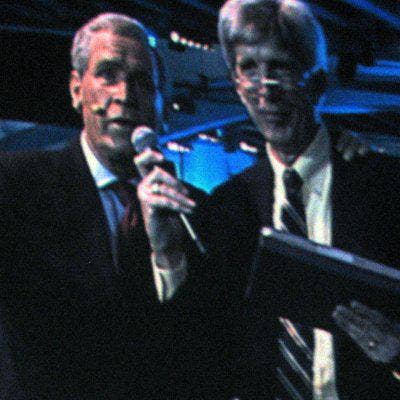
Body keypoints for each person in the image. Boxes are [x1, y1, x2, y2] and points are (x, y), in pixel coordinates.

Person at [0, 12, 214, 400]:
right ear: (76, 89)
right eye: (108, 75)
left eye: (142, 82)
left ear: (160, 103)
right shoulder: (15, 186)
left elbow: (203, 348)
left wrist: (168, 254)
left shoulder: (195, 211)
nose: (126, 95)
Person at [192, 0, 400, 398]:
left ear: (317, 82)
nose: (265, 89)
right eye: (249, 68)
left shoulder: (384, 187)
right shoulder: (226, 209)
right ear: (236, 85)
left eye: (281, 67)